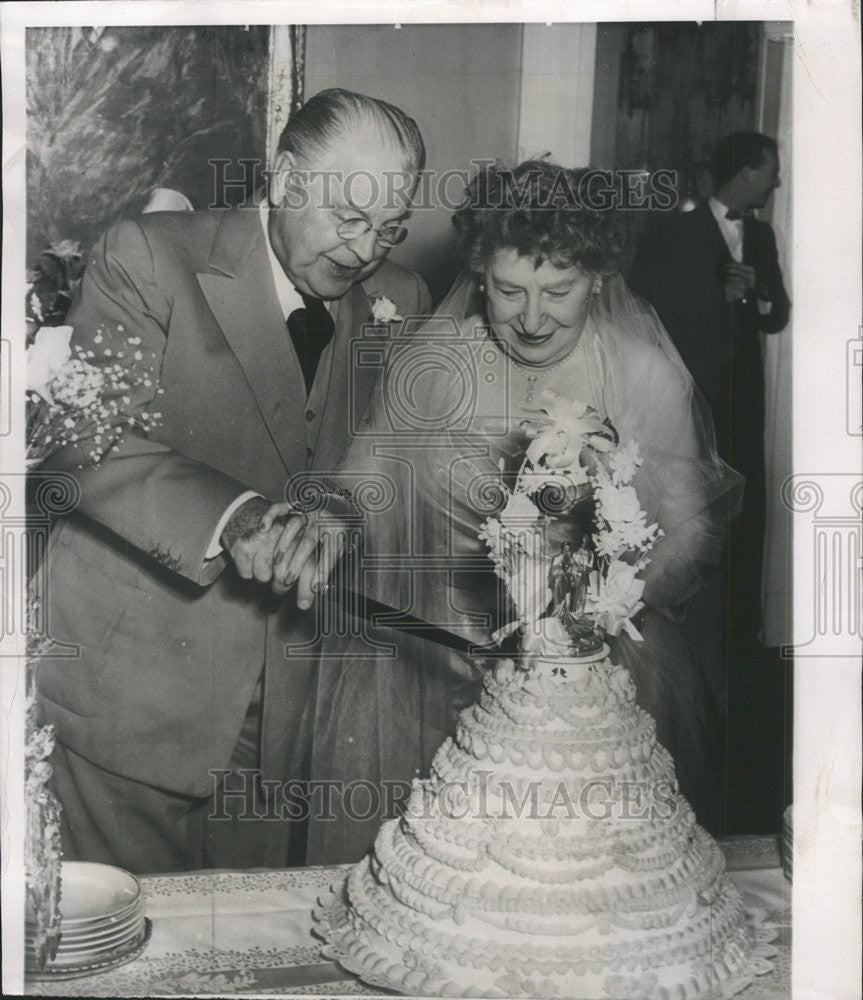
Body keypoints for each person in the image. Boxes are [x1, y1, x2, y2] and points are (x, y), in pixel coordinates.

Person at [278, 160, 741, 863]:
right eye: (507, 290)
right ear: (478, 276)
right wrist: (334, 517)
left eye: (557, 291)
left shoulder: (643, 373)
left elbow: (684, 537)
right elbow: (367, 474)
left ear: (598, 280)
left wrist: (582, 618)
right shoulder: (435, 359)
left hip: (583, 675)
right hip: (428, 659)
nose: (529, 319)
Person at [36, 89, 431, 874]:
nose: (363, 254)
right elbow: (81, 439)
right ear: (285, 180)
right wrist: (239, 517)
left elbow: (389, 461)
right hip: (130, 690)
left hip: (292, 708)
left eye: (388, 230)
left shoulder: (404, 302)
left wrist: (343, 514)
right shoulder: (148, 255)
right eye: (347, 220)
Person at [628, 132, 790, 759]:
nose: (773, 184)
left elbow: (776, 314)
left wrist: (757, 293)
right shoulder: (675, 226)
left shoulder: (764, 236)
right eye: (767, 173)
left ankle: (728, 641)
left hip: (740, 399)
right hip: (690, 394)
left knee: (739, 514)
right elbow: (649, 302)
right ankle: (681, 632)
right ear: (742, 172)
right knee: (685, 511)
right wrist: (716, 300)